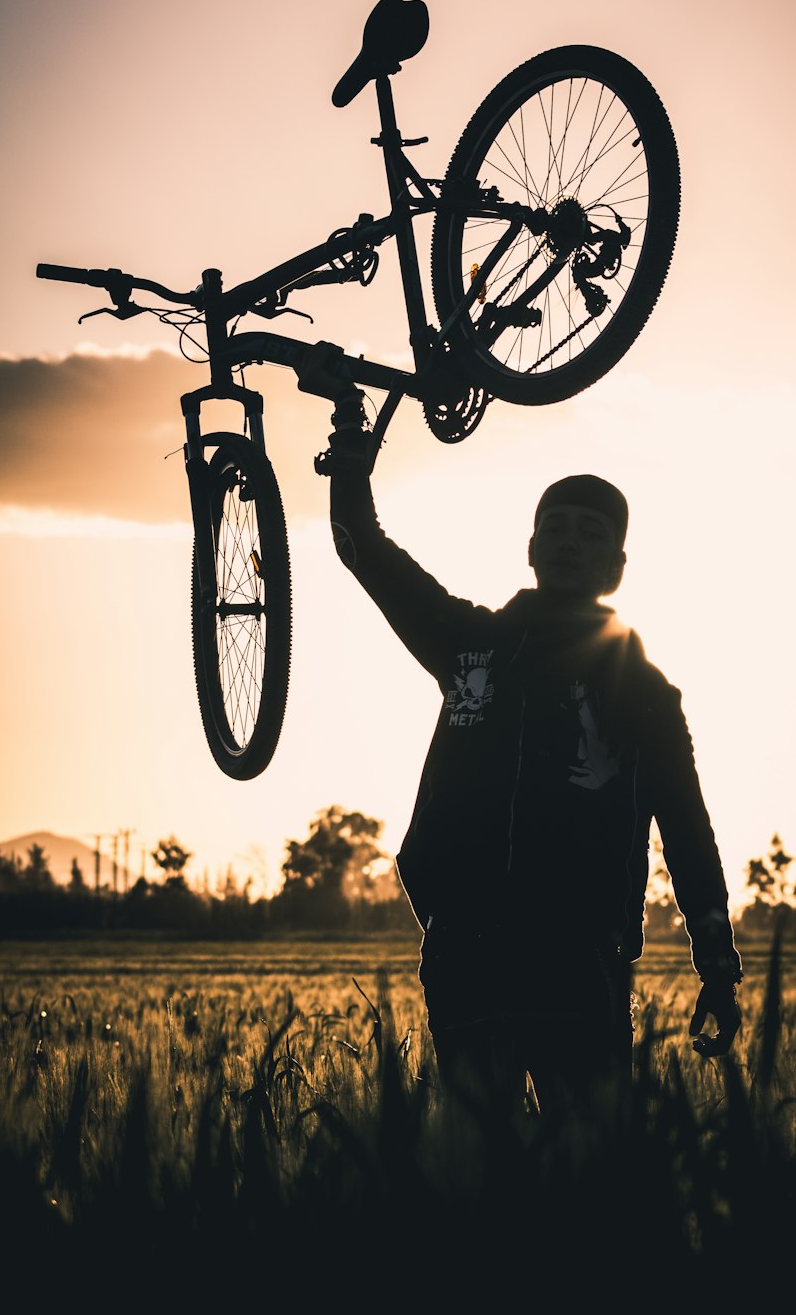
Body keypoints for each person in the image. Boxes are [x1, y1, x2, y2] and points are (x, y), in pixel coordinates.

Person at [324, 389, 741, 1116]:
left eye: (590, 533)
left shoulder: (645, 693)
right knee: (480, 1172)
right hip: (467, 952)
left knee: (586, 1182)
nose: (570, 542)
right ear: (532, 548)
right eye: (557, 528)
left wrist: (718, 962)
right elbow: (364, 548)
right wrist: (349, 442)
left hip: (583, 962)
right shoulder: (470, 646)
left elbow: (687, 829)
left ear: (616, 566)